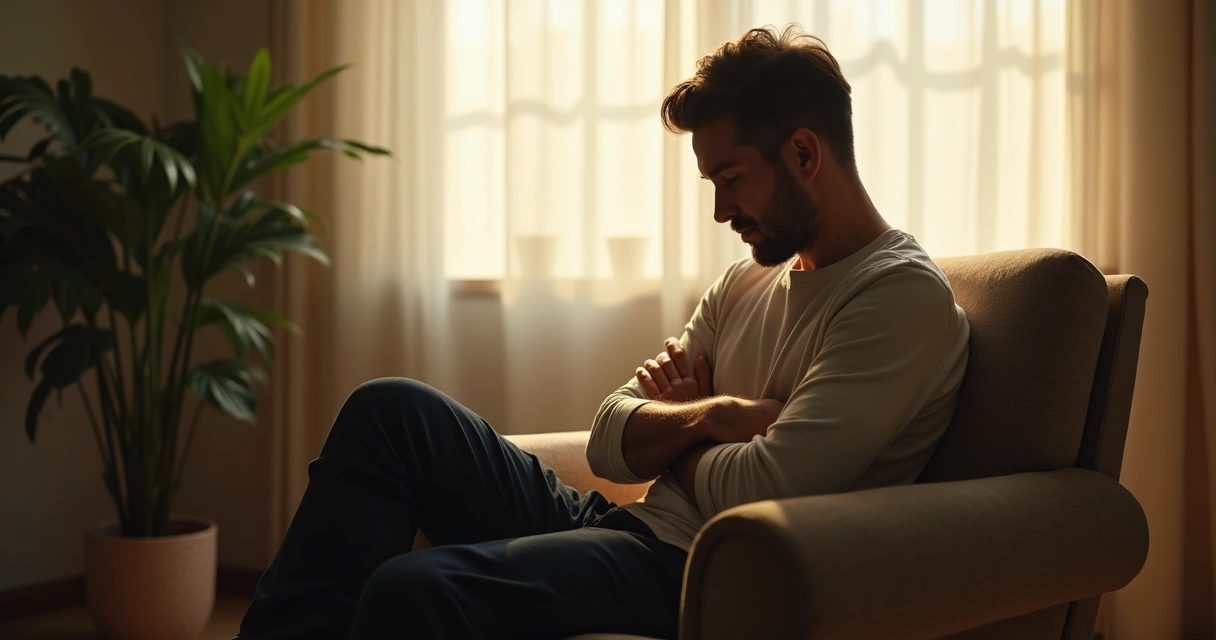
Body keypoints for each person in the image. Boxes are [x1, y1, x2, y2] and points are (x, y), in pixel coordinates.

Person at [235, 24, 969, 640]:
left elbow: (771, 486)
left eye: (731, 178)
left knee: (411, 589)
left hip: (692, 569)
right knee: (388, 410)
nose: (720, 212)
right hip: (626, 524)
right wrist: (713, 415)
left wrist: (675, 439)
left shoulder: (896, 297)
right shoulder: (747, 280)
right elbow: (607, 435)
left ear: (804, 155)